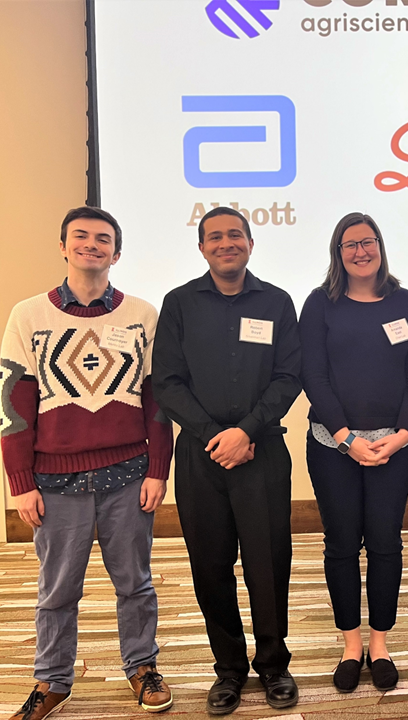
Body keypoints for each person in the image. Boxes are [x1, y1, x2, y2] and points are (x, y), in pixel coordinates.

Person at [1, 207, 175, 720]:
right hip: (53, 482)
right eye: (81, 237)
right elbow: (12, 406)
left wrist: (158, 470)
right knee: (57, 590)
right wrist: (20, 481)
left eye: (103, 239)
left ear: (116, 253)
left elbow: (157, 401)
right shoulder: (27, 315)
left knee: (135, 583)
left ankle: (142, 667)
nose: (91, 245)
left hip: (128, 473)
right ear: (62, 246)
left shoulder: (143, 314)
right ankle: (53, 680)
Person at [152, 206, 303, 715]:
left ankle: (274, 664)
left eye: (235, 235)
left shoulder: (278, 302)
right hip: (201, 457)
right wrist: (217, 435)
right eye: (214, 237)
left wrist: (247, 430)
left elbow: (289, 376)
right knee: (210, 566)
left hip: (262, 452)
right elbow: (166, 383)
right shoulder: (178, 304)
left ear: (251, 243)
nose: (225, 243)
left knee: (268, 563)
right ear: (201, 248)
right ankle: (229, 669)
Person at [298, 213, 408, 693]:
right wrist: (347, 438)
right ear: (338, 252)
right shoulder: (320, 305)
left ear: (380, 247)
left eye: (368, 242)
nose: (360, 251)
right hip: (333, 446)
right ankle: (351, 645)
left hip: (395, 446)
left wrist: (401, 433)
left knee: (385, 543)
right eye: (350, 244)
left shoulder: (407, 303)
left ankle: (380, 644)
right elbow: (314, 377)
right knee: (341, 544)